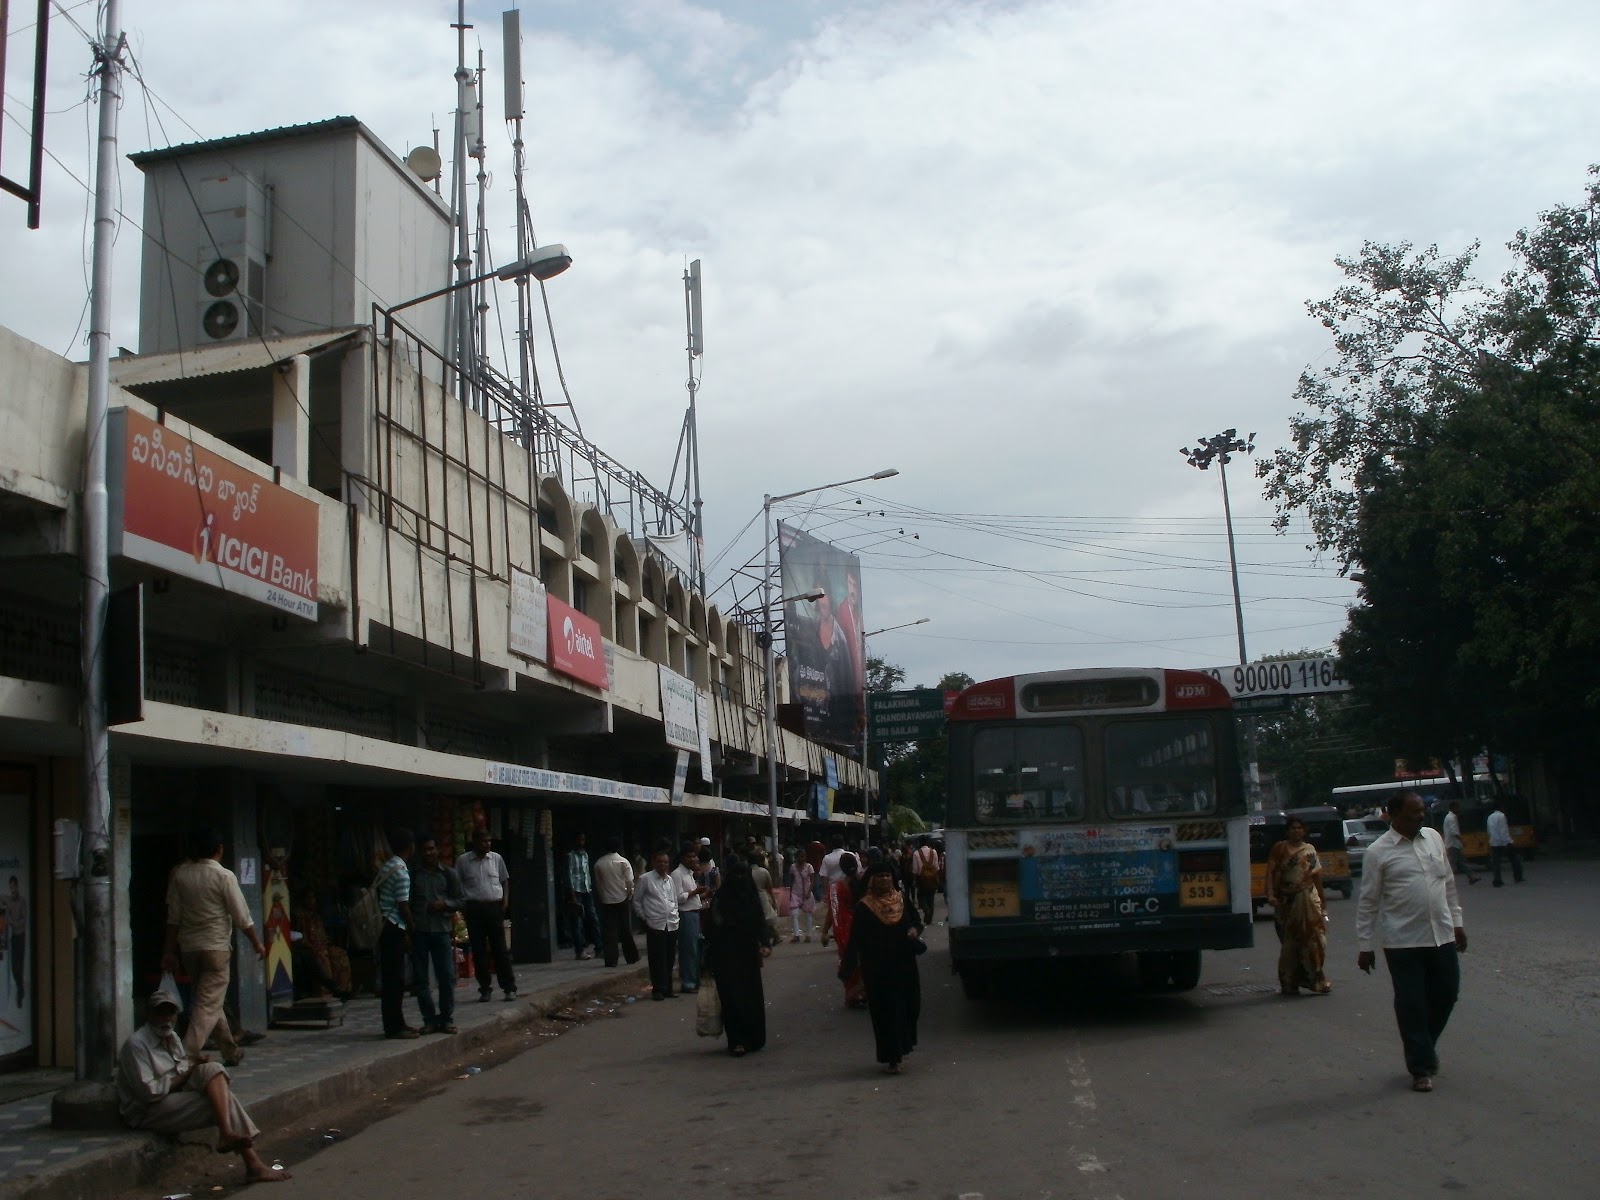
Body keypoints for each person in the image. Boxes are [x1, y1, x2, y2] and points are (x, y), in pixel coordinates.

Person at [1355, 791, 1467, 1093]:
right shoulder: (1378, 852)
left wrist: (1457, 923)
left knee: (1447, 994)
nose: (1420, 817)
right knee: (1412, 1005)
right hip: (1402, 942)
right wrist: (1365, 945)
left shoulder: (1432, 837)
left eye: (1421, 811)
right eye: (1413, 812)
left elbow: (1448, 883)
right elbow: (1368, 902)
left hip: (1441, 934)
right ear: (1393, 815)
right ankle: (1420, 1067)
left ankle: (1424, 1047)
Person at [115, 990, 290, 1183]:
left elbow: (180, 1071)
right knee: (219, 1102)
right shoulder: (137, 1045)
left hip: (172, 1096)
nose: (166, 1018)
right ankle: (251, 1162)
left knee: (213, 1068)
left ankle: (228, 1136)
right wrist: (189, 1073)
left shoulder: (172, 1037)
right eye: (160, 1013)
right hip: (147, 1110)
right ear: (149, 1015)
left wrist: (194, 1068)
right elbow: (149, 1093)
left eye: (170, 1013)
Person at [161, 827, 267, 1066]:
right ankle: (186, 1055)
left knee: (208, 999)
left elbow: (173, 917)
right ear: (219, 850)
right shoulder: (224, 876)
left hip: (189, 949)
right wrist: (257, 943)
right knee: (207, 1004)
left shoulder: (179, 874)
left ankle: (230, 1050)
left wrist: (168, 951)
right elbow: (242, 917)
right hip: (216, 948)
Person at [839, 860, 924, 1074]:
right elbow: (855, 940)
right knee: (886, 1012)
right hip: (878, 969)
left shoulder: (902, 900)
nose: (885, 879)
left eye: (888, 875)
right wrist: (848, 969)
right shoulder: (864, 907)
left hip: (904, 965)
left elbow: (916, 921)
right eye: (880, 876)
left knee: (909, 1007)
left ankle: (902, 1047)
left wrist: (914, 930)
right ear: (871, 880)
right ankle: (892, 1057)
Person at [705, 856, 775, 1056]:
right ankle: (737, 1040)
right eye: (735, 874)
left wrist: (765, 944)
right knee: (732, 999)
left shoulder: (751, 898)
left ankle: (753, 1038)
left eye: (742, 875)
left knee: (750, 998)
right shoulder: (721, 899)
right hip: (725, 956)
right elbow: (713, 927)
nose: (739, 879)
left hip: (747, 956)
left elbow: (760, 922)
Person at [1263, 816, 1332, 995]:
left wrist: (1323, 903)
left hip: (1309, 898)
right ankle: (1289, 982)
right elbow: (1270, 873)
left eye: (1300, 828)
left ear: (1304, 831)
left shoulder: (1310, 850)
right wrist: (1270, 895)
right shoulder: (1279, 849)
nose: (1296, 831)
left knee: (1316, 940)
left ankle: (1316, 979)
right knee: (1290, 944)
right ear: (1288, 831)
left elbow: (1316, 877)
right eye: (1293, 828)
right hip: (1286, 902)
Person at [409, 834, 461, 1034]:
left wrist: (444, 904)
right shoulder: (414, 876)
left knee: (446, 977)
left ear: (437, 850)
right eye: (425, 850)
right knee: (421, 980)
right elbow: (408, 903)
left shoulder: (448, 874)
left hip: (441, 930)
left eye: (432, 849)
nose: (429, 853)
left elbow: (460, 900)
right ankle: (429, 1019)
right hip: (420, 931)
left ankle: (446, 1018)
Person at [458, 828, 517, 1002]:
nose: (487, 844)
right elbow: (458, 885)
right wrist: (463, 908)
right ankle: (485, 988)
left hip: (494, 907)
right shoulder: (463, 861)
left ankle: (509, 987)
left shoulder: (496, 858)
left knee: (500, 949)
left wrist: (505, 901)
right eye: (484, 841)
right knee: (479, 950)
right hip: (474, 908)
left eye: (489, 841)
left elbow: (505, 880)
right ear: (475, 842)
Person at [376, 828, 418, 1040]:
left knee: (392, 979)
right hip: (394, 928)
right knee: (396, 980)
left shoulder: (388, 866)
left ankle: (396, 1022)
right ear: (411, 847)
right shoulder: (401, 872)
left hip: (385, 925)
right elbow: (403, 905)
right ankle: (394, 1026)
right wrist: (412, 929)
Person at [633, 845, 680, 1001]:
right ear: (654, 863)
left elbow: (673, 899)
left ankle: (668, 988)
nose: (663, 865)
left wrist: (675, 915)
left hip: (671, 923)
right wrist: (645, 918)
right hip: (655, 923)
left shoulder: (670, 880)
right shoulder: (645, 879)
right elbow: (637, 901)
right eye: (660, 862)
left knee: (670, 958)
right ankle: (658, 989)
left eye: (665, 862)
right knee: (657, 958)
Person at [289, 887, 350, 1002]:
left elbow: (322, 934)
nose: (311, 901)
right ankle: (327, 992)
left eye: (313, 898)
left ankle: (342, 989)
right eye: (308, 898)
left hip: (322, 945)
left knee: (341, 955)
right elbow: (297, 935)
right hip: (307, 947)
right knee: (322, 957)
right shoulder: (298, 915)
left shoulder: (317, 915)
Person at [592, 836, 639, 967]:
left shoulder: (599, 863)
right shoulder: (623, 862)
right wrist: (630, 894)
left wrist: (603, 897)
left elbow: (598, 883)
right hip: (622, 898)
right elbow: (630, 881)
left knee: (609, 932)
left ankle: (611, 960)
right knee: (626, 929)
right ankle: (632, 957)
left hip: (607, 900)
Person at [830, 853, 866, 1007]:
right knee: (863, 959)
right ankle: (863, 992)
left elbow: (833, 911)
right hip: (862, 924)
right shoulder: (864, 882)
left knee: (849, 960)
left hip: (845, 926)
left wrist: (827, 931)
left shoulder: (836, 887)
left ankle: (853, 995)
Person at [671, 843, 708, 993]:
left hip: (695, 913)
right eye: (689, 856)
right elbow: (678, 898)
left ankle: (694, 980)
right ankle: (688, 982)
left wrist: (701, 894)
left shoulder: (689, 874)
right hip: (685, 914)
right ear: (682, 858)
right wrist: (695, 892)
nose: (693, 859)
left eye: (694, 856)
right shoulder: (677, 874)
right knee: (688, 950)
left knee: (696, 950)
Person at [564, 832, 602, 960]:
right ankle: (579, 950)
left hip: (587, 890)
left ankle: (599, 948)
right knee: (577, 922)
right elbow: (568, 876)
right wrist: (572, 895)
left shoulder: (585, 855)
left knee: (593, 918)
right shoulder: (570, 856)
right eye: (579, 840)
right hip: (576, 891)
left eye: (583, 840)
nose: (581, 842)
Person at [1486, 799, 1524, 887]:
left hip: (1494, 842)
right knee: (1515, 860)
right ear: (1501, 807)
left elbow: (1489, 830)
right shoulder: (1502, 816)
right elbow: (1503, 831)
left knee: (1496, 863)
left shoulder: (1490, 817)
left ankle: (1497, 880)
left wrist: (1490, 840)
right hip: (1503, 842)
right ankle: (1518, 877)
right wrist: (1508, 841)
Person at [817, 834, 846, 947]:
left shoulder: (827, 858)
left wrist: (826, 893)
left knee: (834, 914)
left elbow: (824, 877)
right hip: (849, 889)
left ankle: (831, 933)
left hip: (834, 891)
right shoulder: (850, 855)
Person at [1442, 801, 1480, 885]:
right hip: (1453, 844)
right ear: (1453, 808)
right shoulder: (1452, 818)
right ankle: (1446, 881)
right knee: (1452, 864)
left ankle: (1471, 877)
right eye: (1457, 807)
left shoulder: (1449, 817)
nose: (1458, 809)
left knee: (1462, 862)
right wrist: (1461, 840)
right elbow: (1454, 832)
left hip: (1453, 844)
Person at [4, 875, 27, 1005]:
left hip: (20, 936)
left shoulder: (22, 901)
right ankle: (20, 988)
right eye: (10, 887)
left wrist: (15, 923)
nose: (12, 889)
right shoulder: (9, 901)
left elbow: (24, 919)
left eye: (14, 887)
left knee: (20, 966)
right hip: (13, 937)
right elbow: (7, 916)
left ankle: (20, 991)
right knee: (14, 967)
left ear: (17, 886)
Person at [911, 836, 941, 925]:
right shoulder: (934, 852)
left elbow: (915, 870)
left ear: (919, 843)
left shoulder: (916, 853)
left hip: (922, 879)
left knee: (921, 898)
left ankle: (926, 910)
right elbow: (936, 867)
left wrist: (914, 880)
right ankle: (929, 918)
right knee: (931, 899)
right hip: (932, 879)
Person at [786, 852, 816, 942]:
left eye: (803, 856)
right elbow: (791, 880)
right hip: (795, 892)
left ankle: (808, 935)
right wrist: (790, 893)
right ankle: (796, 934)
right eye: (799, 857)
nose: (801, 859)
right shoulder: (793, 867)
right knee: (794, 914)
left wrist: (809, 892)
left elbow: (812, 881)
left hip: (807, 892)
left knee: (808, 914)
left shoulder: (809, 867)